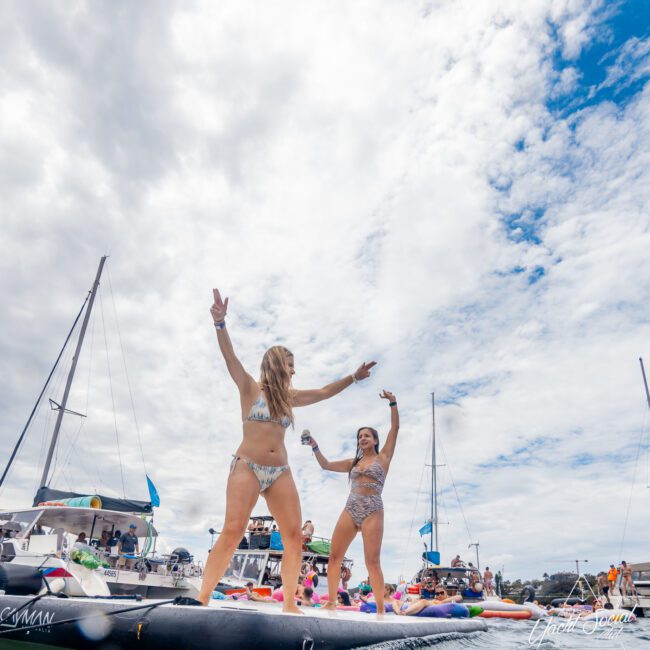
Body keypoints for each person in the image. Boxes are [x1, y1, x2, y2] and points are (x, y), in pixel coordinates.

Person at [195, 288, 377, 610]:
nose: (294, 371)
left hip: (280, 471)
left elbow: (323, 392)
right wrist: (221, 324)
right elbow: (230, 357)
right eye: (290, 365)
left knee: (294, 536)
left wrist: (353, 377)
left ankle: (289, 605)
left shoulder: (289, 398)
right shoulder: (249, 387)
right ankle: (203, 597)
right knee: (234, 530)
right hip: (247, 465)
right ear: (277, 363)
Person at [311, 390, 400, 615]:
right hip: (351, 508)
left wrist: (392, 403)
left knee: (373, 562)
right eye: (360, 436)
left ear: (375, 440)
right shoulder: (353, 462)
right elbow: (326, 465)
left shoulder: (384, 457)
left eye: (367, 436)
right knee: (334, 556)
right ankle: (331, 601)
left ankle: (381, 608)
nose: (362, 439)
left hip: (373, 509)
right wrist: (314, 446)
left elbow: (395, 429)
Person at [396, 585, 461, 616]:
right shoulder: (436, 600)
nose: (440, 595)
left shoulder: (449, 599)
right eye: (437, 594)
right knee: (418, 601)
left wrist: (442, 602)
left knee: (424, 601)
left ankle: (405, 612)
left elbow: (459, 597)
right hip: (435, 606)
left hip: (440, 607)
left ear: (446, 592)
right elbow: (430, 602)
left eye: (442, 593)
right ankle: (404, 610)